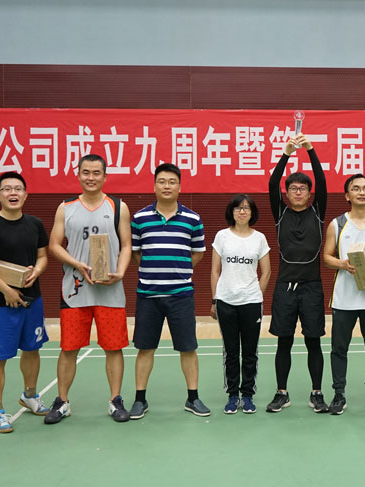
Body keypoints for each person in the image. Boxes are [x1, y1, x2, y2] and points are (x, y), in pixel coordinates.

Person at [44, 154, 133, 424]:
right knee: (69, 348)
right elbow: (54, 244)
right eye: (86, 172)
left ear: (105, 176)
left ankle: (115, 400)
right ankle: (62, 402)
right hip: (75, 291)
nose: (91, 177)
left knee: (113, 348)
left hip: (110, 291)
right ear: (78, 174)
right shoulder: (66, 207)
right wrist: (76, 263)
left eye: (96, 173)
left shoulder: (118, 206)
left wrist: (121, 272)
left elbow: (126, 245)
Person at [0, 172, 50, 433]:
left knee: (32, 349)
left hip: (32, 300)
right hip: (1, 304)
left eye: (18, 188)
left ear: (26, 194)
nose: (12, 193)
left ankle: (30, 395)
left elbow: (42, 256)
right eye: (7, 189)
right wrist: (6, 290)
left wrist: (38, 271)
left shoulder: (35, 224)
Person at [130, 163, 210, 418]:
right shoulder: (139, 218)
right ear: (154, 186)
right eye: (162, 181)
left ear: (179, 186)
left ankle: (193, 398)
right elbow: (135, 253)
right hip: (148, 295)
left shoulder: (193, 219)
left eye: (172, 182)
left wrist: (178, 268)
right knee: (145, 348)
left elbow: (197, 253)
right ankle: (140, 400)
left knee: (188, 348)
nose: (167, 186)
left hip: (181, 295)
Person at [266, 133, 330, 414]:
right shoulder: (280, 213)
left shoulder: (317, 212)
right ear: (287, 193)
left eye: (303, 188)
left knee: (313, 342)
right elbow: (272, 183)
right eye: (293, 188)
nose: (299, 192)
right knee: (284, 342)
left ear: (309, 193)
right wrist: (286, 153)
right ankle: (282, 393)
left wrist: (310, 149)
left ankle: (317, 393)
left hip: (312, 287)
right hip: (284, 288)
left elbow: (322, 181)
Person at [322, 174, 365, 416]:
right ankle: (339, 394)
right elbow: (327, 256)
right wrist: (343, 264)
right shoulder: (337, 224)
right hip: (344, 298)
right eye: (356, 189)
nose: (361, 192)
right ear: (347, 195)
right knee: (339, 349)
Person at [210, 194, 271, 414]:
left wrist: (255, 295)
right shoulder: (222, 236)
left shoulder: (259, 238)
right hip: (225, 301)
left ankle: (247, 395)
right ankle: (232, 395)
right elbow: (215, 271)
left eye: (246, 208)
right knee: (231, 351)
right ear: (232, 212)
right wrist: (215, 299)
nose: (242, 212)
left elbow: (266, 272)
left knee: (250, 351)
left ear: (252, 212)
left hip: (251, 303)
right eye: (238, 208)